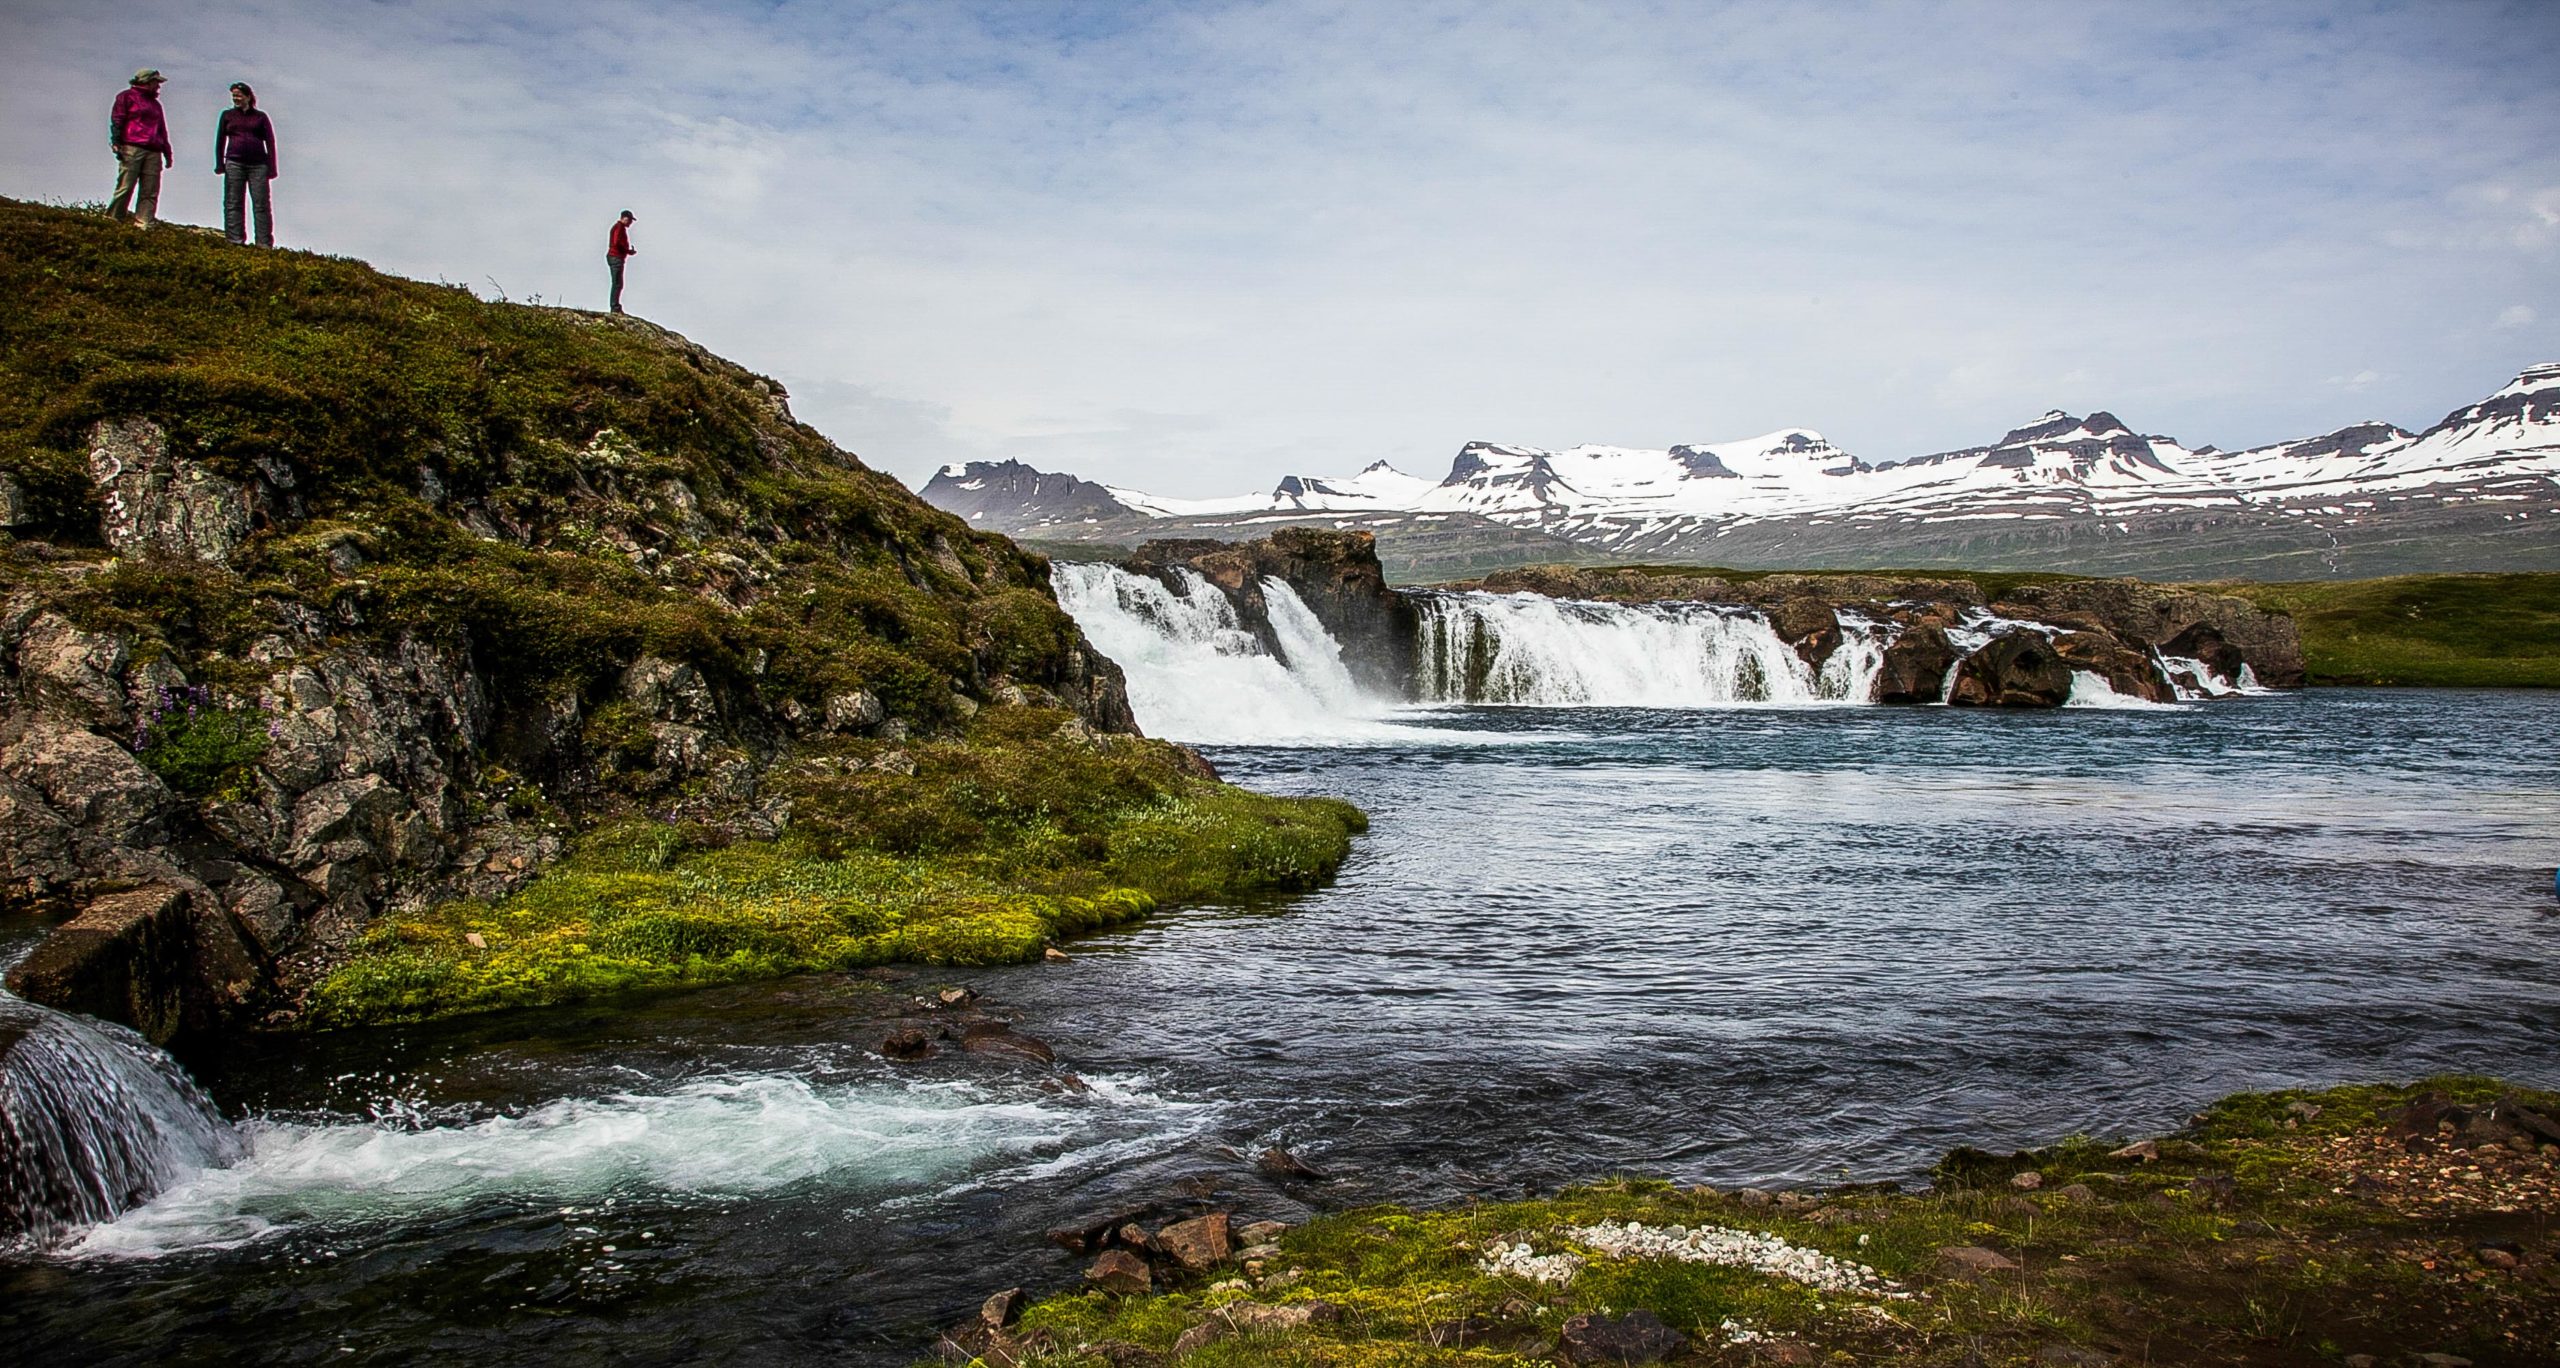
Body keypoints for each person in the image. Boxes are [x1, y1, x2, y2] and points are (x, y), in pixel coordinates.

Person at [213, 82, 278, 246]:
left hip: (258, 165)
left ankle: (263, 243)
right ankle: (235, 240)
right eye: (234, 95)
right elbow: (220, 140)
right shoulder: (227, 115)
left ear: (248, 97)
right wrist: (219, 163)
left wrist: (272, 167)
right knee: (233, 202)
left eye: (239, 95)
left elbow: (270, 142)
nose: (236, 98)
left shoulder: (260, 117)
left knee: (261, 204)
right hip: (234, 162)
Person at [109, 69, 172, 227]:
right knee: (126, 185)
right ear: (146, 81)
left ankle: (144, 222)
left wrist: (167, 152)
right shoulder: (126, 97)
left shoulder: (156, 104)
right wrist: (116, 142)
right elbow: (118, 118)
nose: (158, 86)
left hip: (154, 149)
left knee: (150, 189)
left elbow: (161, 129)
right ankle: (114, 219)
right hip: (132, 146)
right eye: (156, 82)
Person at [606, 210, 637, 313]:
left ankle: (615, 306)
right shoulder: (619, 227)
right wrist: (627, 251)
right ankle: (614, 307)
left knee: (618, 283)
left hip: (615, 257)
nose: (630, 223)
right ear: (625, 218)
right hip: (616, 257)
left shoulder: (619, 227)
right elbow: (617, 242)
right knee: (617, 283)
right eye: (630, 220)